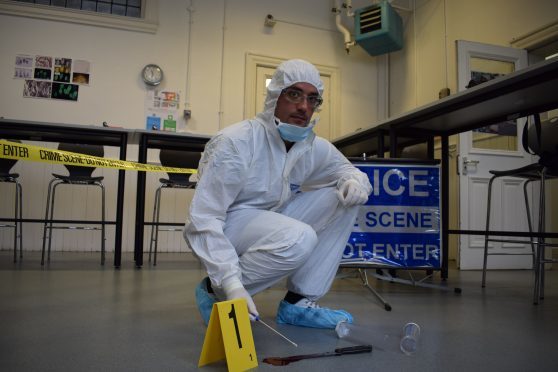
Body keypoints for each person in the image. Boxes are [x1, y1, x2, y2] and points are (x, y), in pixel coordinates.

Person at [184, 59, 372, 329]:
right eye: (294, 94)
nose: (303, 106)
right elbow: (203, 218)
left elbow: (348, 171)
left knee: (341, 199)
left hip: (271, 217)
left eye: (312, 99)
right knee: (300, 237)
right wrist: (230, 282)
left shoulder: (310, 146)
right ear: (275, 96)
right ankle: (217, 293)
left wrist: (354, 183)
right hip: (229, 224)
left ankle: (298, 303)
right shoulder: (237, 142)